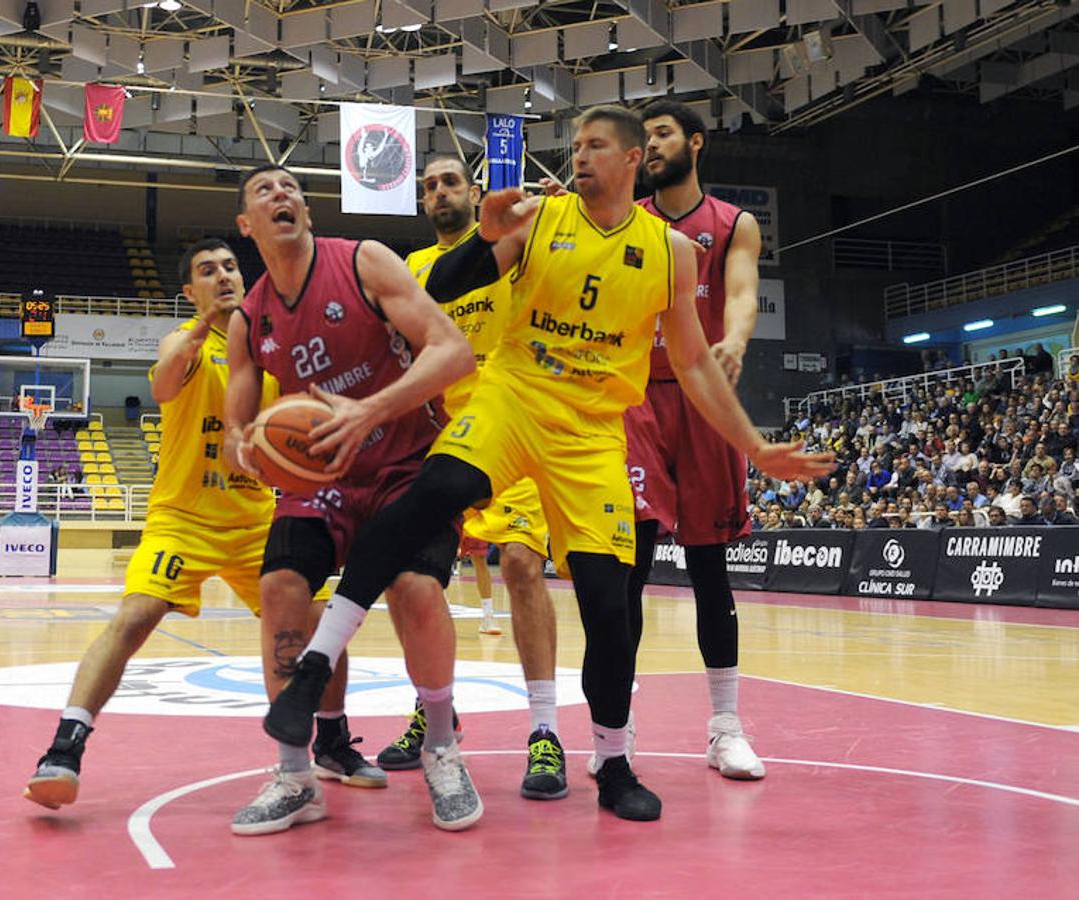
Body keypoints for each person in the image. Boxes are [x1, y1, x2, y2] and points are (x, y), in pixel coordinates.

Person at [264, 106, 832, 823]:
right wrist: (489, 234)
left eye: (596, 146)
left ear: (631, 162)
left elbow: (692, 363)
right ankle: (314, 666)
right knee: (428, 497)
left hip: (593, 430)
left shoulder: (670, 251)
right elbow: (443, 289)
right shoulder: (541, 218)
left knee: (607, 601)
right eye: (576, 146)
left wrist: (753, 446)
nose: (581, 156)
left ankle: (613, 760)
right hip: (516, 395)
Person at [24, 239, 376, 812]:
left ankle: (332, 741)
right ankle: (64, 748)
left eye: (231, 267)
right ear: (190, 291)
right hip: (183, 519)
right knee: (135, 616)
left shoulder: (274, 350)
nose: (224, 276)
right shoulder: (182, 342)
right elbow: (163, 383)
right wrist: (200, 328)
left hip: (256, 519)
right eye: (207, 271)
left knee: (321, 621)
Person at [223, 167, 479, 834]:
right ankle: (295, 773)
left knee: (414, 589)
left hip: (405, 461)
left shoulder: (365, 260)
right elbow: (234, 436)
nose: (283, 194)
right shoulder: (249, 319)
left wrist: (368, 411)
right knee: (281, 585)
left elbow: (454, 353)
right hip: (324, 479)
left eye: (291, 187)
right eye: (265, 191)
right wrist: (249, 447)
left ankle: (443, 748)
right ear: (247, 225)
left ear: (306, 207)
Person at [395, 154, 566, 799]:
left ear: (473, 191)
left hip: (513, 425)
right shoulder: (414, 271)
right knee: (419, 582)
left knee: (522, 565)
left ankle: (545, 732)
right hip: (441, 437)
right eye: (429, 186)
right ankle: (433, 713)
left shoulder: (512, 239)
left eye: (449, 182)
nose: (439, 192)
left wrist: (551, 210)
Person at [620, 99, 770, 781]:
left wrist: (734, 341)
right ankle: (612, 730)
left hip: (704, 397)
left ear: (695, 143)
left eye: (661, 135)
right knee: (628, 566)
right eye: (643, 138)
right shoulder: (622, 220)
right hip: (633, 398)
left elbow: (741, 295)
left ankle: (725, 728)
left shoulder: (733, 225)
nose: (649, 146)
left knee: (711, 569)